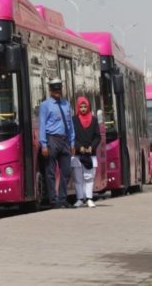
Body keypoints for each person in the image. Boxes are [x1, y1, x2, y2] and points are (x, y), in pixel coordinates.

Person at [38, 78, 76, 209]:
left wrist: (72, 142)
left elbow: (70, 124)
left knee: (66, 171)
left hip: (65, 140)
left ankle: (63, 198)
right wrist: (43, 144)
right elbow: (42, 125)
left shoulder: (66, 104)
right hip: (51, 139)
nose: (57, 92)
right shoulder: (45, 105)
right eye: (54, 89)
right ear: (50, 90)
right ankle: (53, 200)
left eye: (59, 89)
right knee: (50, 172)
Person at [71, 96, 99, 208]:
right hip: (78, 154)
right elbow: (72, 136)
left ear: (88, 107)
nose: (83, 109)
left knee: (89, 177)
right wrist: (79, 147)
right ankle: (79, 199)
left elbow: (97, 137)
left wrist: (91, 147)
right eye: (81, 106)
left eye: (85, 106)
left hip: (90, 154)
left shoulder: (94, 120)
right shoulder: (74, 120)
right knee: (78, 178)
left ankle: (89, 198)